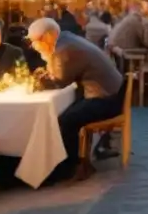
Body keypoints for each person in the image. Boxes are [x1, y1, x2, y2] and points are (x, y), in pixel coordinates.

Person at [28, 18, 126, 181]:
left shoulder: (64, 49)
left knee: (66, 120)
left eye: (37, 41)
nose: (35, 46)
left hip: (106, 99)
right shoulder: (66, 38)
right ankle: (73, 161)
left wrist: (43, 74)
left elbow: (60, 81)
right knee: (68, 110)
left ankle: (71, 168)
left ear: (49, 35)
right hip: (113, 92)